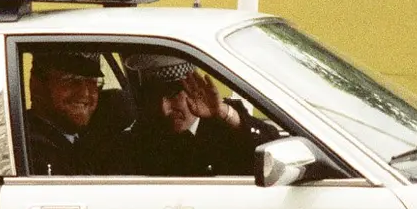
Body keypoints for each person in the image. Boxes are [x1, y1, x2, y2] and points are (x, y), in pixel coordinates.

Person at [119, 52, 279, 178]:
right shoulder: (144, 134)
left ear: (194, 89)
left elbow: (275, 151)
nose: (164, 109)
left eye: (173, 95)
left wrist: (223, 112)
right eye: (154, 96)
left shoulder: (226, 124)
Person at [24, 48, 108, 176]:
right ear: (37, 85)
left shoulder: (88, 143)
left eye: (92, 82)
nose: (85, 93)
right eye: (71, 80)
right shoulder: (30, 150)